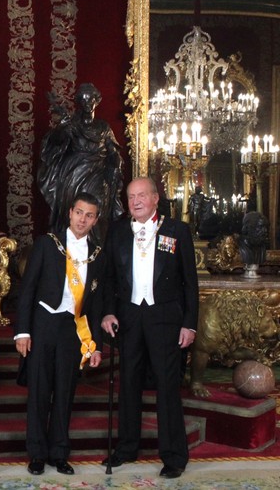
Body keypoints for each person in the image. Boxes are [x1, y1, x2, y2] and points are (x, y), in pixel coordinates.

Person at [101, 177, 198, 480]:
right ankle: (127, 447)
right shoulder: (116, 231)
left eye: (142, 195)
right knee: (128, 383)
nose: (136, 201)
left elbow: (190, 284)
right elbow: (107, 280)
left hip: (165, 320)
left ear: (156, 198)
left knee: (167, 387)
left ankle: (174, 455)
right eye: (131, 196)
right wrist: (107, 313)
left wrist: (189, 324)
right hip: (129, 318)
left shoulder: (176, 231)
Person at [15, 192, 105, 476]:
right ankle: (37, 453)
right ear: (70, 212)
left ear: (96, 219)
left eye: (89, 215)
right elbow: (27, 289)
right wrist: (22, 332)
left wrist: (96, 345)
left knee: (65, 392)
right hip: (43, 325)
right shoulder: (47, 244)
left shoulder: (97, 254)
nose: (83, 219)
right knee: (40, 391)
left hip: (73, 329)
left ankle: (59, 452)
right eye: (79, 212)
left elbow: (97, 304)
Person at [37, 83, 124, 243]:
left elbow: (113, 152)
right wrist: (63, 128)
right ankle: (69, 257)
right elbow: (54, 143)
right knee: (74, 217)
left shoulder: (103, 128)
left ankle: (95, 255)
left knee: (99, 217)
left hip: (98, 178)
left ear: (96, 100)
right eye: (83, 100)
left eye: (90, 100)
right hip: (73, 177)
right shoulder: (72, 124)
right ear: (79, 102)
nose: (87, 104)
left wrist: (116, 165)